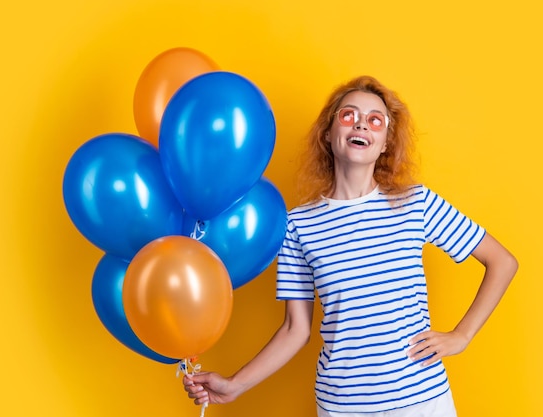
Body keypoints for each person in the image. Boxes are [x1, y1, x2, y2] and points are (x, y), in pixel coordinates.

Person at [183, 75, 519, 416]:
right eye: (349, 115)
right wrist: (235, 385)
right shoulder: (298, 226)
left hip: (421, 403)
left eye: (376, 120)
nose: (361, 124)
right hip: (342, 408)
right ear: (328, 134)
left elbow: (502, 262)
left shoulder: (415, 204)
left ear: (386, 141)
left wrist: (462, 335)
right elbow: (294, 329)